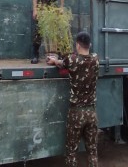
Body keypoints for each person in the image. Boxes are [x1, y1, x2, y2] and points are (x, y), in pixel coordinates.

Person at [46, 31, 99, 167]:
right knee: (92, 151)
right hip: (92, 113)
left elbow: (61, 63)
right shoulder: (95, 59)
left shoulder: (73, 60)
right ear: (89, 45)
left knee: (71, 152)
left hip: (76, 113)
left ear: (77, 45)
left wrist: (53, 60)